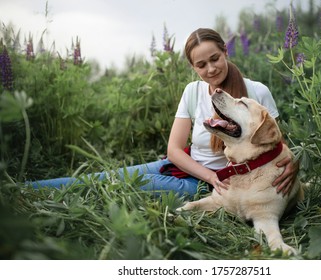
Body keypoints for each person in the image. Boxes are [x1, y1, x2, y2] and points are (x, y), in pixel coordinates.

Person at [27, 28, 299, 198]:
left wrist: (293, 162)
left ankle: (31, 191)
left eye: (215, 59)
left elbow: (276, 141)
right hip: (190, 168)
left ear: (225, 52)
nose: (211, 70)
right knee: (113, 175)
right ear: (194, 68)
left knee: (128, 183)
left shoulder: (256, 92)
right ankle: (27, 189)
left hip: (215, 187)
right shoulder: (193, 91)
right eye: (201, 65)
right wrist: (206, 174)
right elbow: (174, 150)